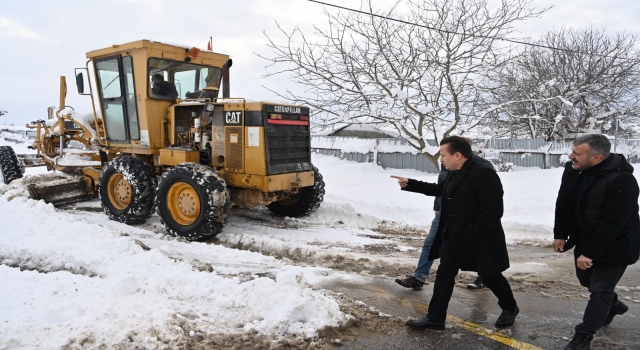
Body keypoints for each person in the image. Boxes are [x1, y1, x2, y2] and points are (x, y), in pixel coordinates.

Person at [391, 136, 518, 330]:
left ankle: (510, 308)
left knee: (490, 274)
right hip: (454, 235)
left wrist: (471, 235)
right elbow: (441, 190)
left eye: (443, 155)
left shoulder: (484, 174)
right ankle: (435, 318)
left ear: (457, 155)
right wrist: (411, 184)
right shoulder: (453, 171)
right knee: (444, 275)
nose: (441, 159)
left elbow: (492, 212)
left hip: (480, 237)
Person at [553, 134, 639, 350]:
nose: (571, 156)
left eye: (577, 153)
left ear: (597, 158)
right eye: (572, 150)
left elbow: (614, 223)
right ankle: (614, 305)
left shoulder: (623, 180)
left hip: (617, 242)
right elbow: (563, 202)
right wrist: (561, 233)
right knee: (588, 281)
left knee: (600, 289)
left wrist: (590, 252)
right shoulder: (574, 169)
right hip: (586, 238)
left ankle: (583, 336)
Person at [395, 158, 491, 291]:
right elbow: (441, 187)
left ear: (457, 152)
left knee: (475, 245)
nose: (441, 158)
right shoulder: (448, 164)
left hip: (469, 215)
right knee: (431, 242)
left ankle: (484, 276)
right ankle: (419, 277)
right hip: (445, 212)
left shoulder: (482, 165)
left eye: (444, 153)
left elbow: (488, 193)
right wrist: (437, 206)